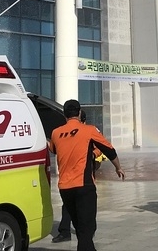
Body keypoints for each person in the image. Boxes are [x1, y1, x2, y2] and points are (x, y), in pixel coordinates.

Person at [50, 99, 125, 251]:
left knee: (81, 230)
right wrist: (118, 167)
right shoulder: (89, 130)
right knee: (87, 231)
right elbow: (109, 150)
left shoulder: (56, 133)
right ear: (79, 113)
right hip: (84, 187)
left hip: (65, 188)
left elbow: (54, 149)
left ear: (65, 114)